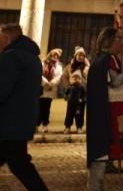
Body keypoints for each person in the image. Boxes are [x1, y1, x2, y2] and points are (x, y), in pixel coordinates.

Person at [0, 23, 49, 190]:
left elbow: (2, 89)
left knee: (21, 165)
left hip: (8, 123)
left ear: (6, 38)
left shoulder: (11, 57)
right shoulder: (31, 58)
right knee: (20, 164)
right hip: (20, 121)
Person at [86, 27, 123, 191]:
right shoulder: (106, 60)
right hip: (106, 114)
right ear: (110, 41)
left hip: (101, 112)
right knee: (100, 156)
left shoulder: (101, 59)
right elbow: (116, 81)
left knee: (101, 159)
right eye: (119, 39)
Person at [61, 46, 89, 133]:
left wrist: (87, 67)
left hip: (82, 92)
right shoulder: (69, 67)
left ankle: (79, 126)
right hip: (72, 91)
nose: (81, 57)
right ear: (75, 56)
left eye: (83, 55)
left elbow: (89, 78)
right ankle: (67, 126)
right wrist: (68, 87)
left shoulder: (86, 67)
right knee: (70, 110)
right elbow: (64, 77)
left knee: (80, 110)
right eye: (79, 55)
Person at [39, 48, 62, 133]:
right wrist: (45, 83)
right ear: (50, 55)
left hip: (51, 90)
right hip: (42, 89)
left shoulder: (58, 67)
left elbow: (59, 77)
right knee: (39, 107)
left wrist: (51, 84)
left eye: (57, 56)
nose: (55, 57)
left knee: (46, 108)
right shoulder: (42, 64)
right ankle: (37, 124)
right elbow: (39, 74)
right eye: (53, 55)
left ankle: (45, 125)